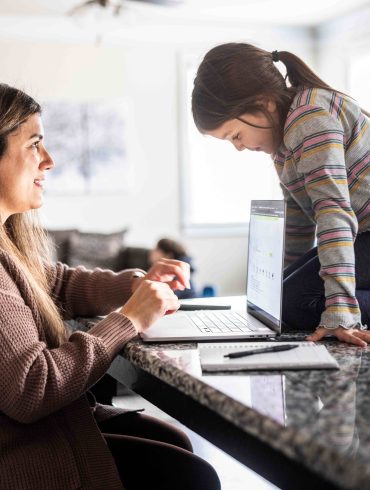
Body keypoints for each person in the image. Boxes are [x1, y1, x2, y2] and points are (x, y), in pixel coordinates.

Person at [0, 83, 221, 490]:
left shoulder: (7, 242)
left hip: (42, 430)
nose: (48, 161)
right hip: (22, 457)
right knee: (195, 477)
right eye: (34, 144)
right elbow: (34, 388)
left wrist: (133, 284)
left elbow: (56, 282)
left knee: (173, 440)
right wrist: (128, 318)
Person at [191, 42, 370, 347]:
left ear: (264, 103)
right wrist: (280, 284)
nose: (238, 146)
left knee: (295, 302)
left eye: (235, 135)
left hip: (362, 231)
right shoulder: (283, 140)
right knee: (283, 299)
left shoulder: (309, 118)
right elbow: (299, 216)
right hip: (362, 234)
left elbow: (333, 213)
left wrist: (340, 310)